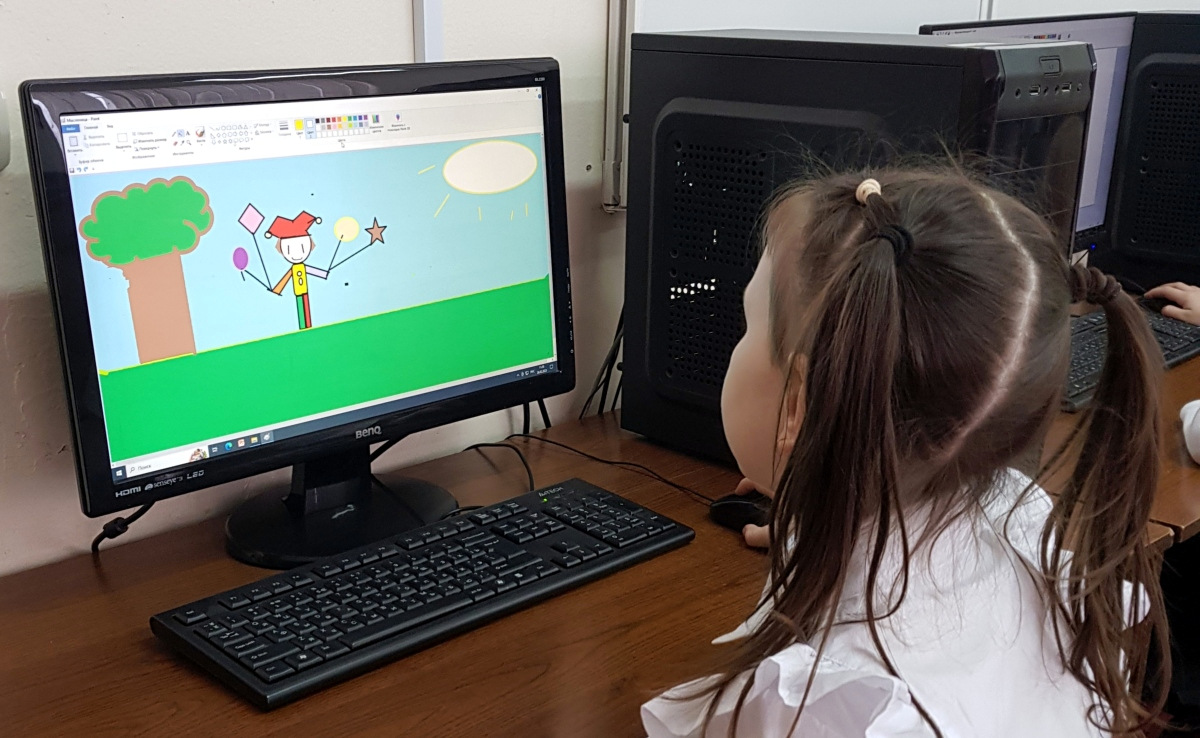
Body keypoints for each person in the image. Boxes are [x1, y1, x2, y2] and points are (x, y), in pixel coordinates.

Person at [641, 169, 1169, 737]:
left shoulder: (832, 709)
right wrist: (817, 514)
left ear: (798, 404)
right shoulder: (1018, 516)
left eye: (747, 326)